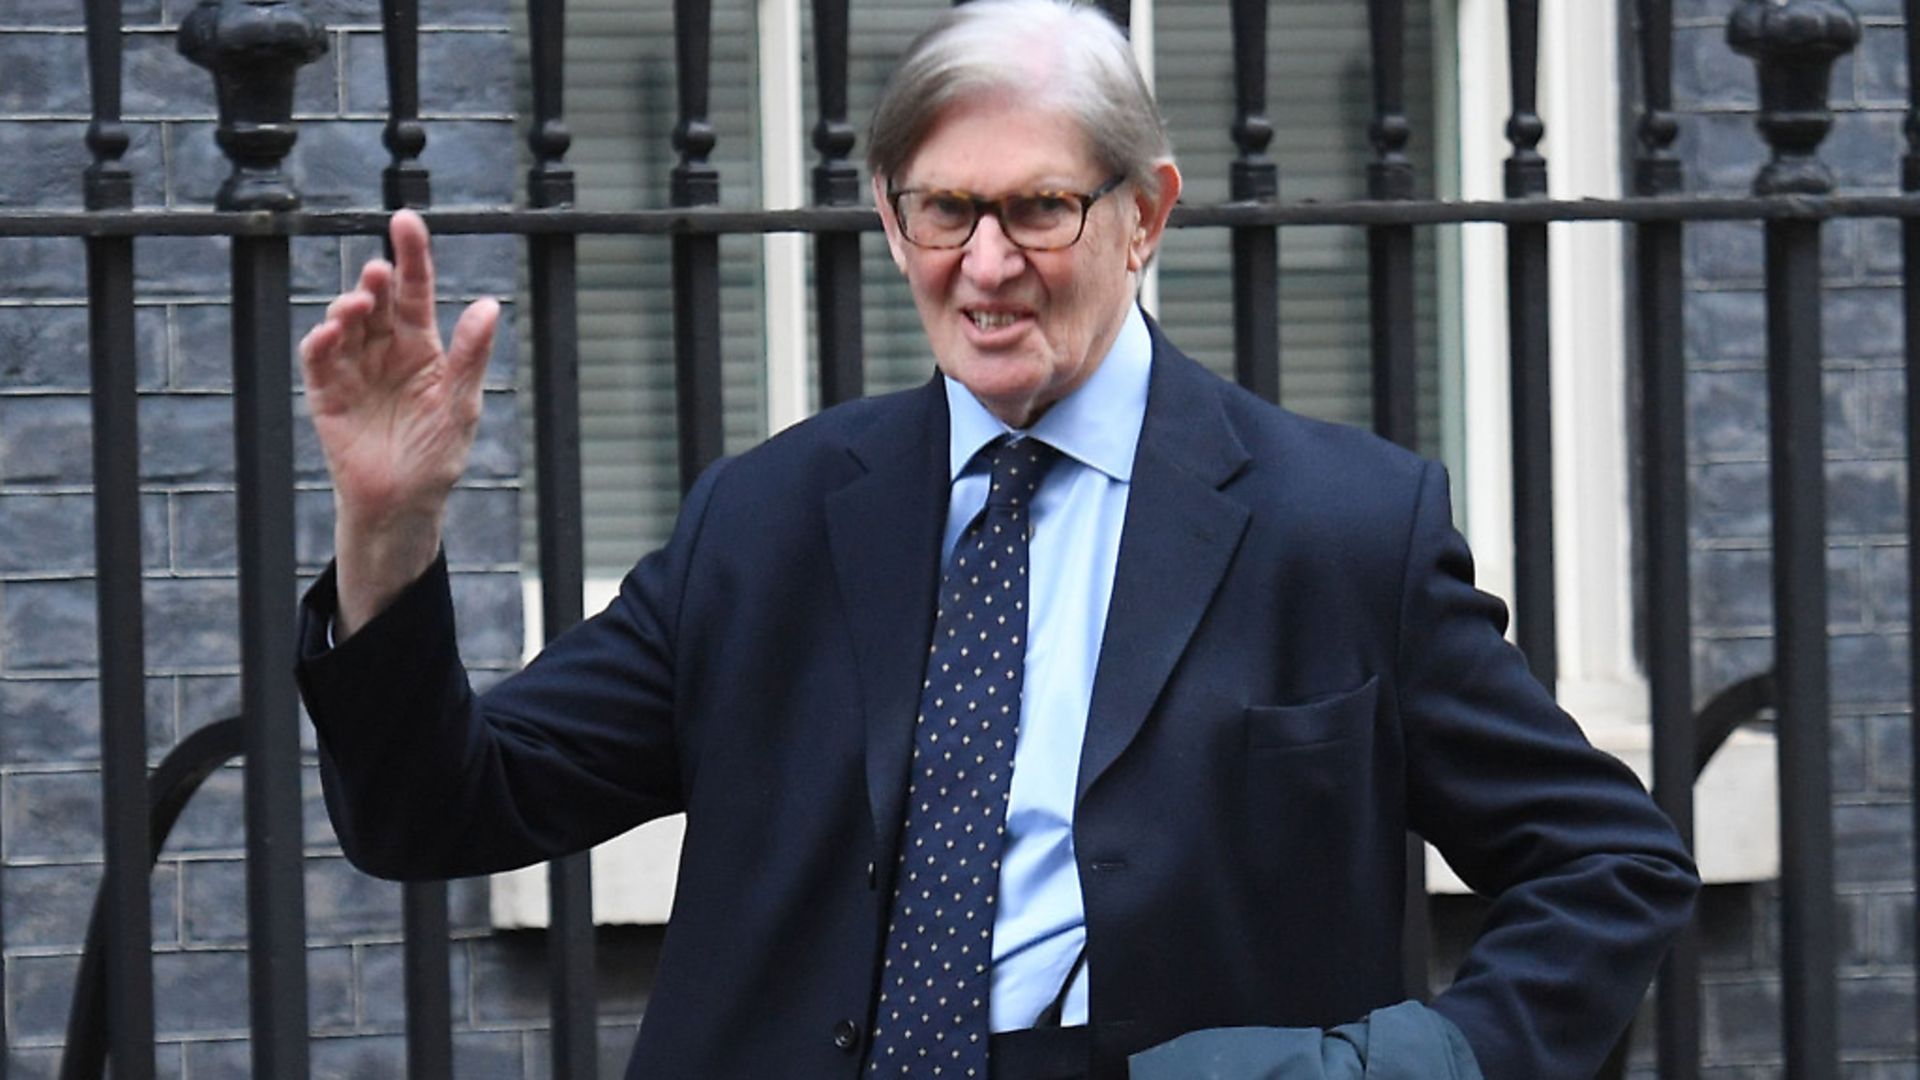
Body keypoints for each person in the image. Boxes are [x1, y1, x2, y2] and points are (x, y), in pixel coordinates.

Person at [294, 1, 1698, 1077]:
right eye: (945, 209)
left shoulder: (1341, 526)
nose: (984, 264)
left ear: (1145, 214)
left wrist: (1380, 1067)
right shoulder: (766, 522)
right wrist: (388, 535)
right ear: (891, 217)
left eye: (1038, 207)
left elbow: (1609, 868)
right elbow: (440, 809)